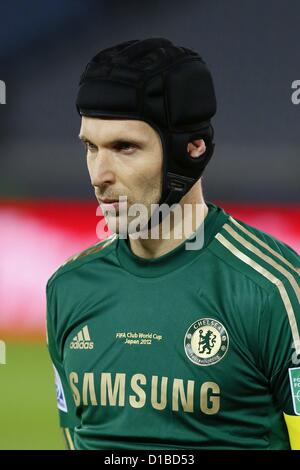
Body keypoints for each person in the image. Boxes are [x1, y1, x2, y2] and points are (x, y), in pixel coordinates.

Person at [46, 37, 300, 450]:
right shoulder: (68, 288)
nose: (98, 174)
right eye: (90, 147)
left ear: (192, 149)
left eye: (124, 147)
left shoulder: (273, 292)